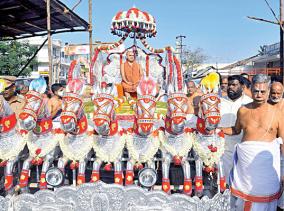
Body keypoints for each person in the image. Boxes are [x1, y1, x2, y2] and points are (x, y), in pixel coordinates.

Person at [221, 74, 284, 211]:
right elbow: (236, 130)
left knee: (266, 202)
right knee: (241, 202)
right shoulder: (243, 110)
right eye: (256, 91)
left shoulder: (278, 113)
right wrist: (217, 129)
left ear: (268, 91)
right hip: (245, 165)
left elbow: (283, 143)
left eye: (263, 91)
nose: (259, 95)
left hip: (267, 166)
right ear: (251, 90)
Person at [219, 75, 252, 183]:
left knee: (241, 182)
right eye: (229, 85)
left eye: (234, 85)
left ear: (242, 87)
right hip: (221, 150)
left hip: (241, 148)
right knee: (222, 182)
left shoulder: (249, 103)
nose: (230, 87)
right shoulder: (218, 102)